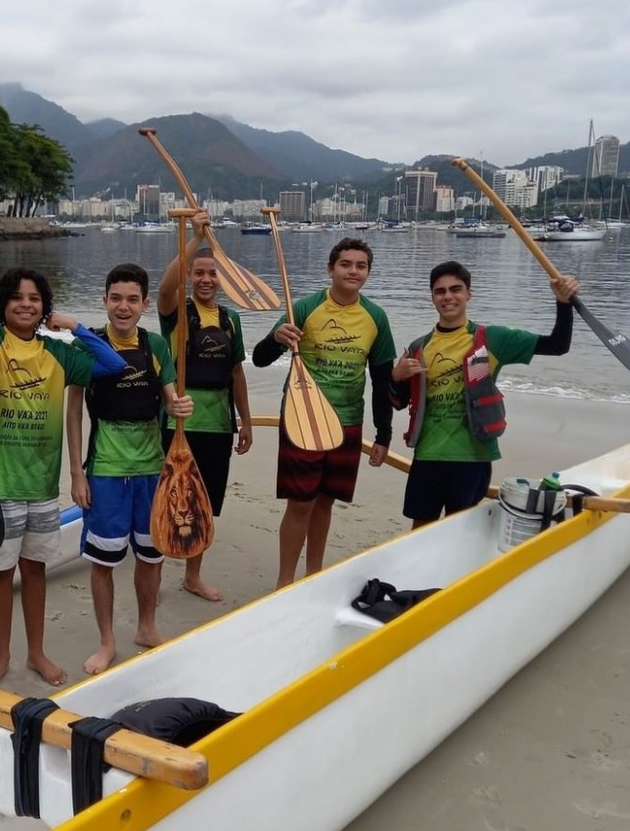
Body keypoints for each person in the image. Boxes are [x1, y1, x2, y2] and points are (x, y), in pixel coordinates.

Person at [0, 269, 125, 688]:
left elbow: (113, 364)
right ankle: (1, 657)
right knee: (0, 573)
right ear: (1, 305)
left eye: (34, 298)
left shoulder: (58, 352)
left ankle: (36, 653)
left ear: (44, 306)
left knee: (34, 571)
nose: (26, 304)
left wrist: (74, 327)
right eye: (16, 297)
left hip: (42, 486)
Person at [66, 263, 194, 675]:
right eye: (116, 298)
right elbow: (73, 414)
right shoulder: (88, 347)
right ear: (104, 301)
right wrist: (76, 473)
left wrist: (180, 408)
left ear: (143, 305)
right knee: (103, 561)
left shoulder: (156, 346)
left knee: (151, 556)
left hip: (153, 470)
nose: (124, 307)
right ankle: (107, 641)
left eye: (133, 300)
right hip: (105, 469)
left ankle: (146, 627)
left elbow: (173, 400)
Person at [390, 260, 580, 528]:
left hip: (471, 457)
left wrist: (563, 303)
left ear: (469, 294)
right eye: (440, 291)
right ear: (432, 297)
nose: (448, 297)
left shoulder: (492, 339)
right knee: (420, 531)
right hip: (427, 455)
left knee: (460, 531)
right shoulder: (419, 346)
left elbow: (557, 345)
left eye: (455, 289)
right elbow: (399, 403)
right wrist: (396, 377)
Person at [253, 237, 396, 587]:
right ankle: (285, 582)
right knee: (300, 503)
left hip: (347, 421)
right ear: (330, 269)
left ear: (368, 273)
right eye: (346, 264)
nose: (353, 271)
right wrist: (277, 339)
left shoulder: (375, 317)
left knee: (325, 503)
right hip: (303, 419)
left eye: (360, 266)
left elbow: (381, 381)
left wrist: (383, 434)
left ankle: (313, 576)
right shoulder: (303, 308)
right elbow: (258, 358)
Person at [156, 209, 252, 602]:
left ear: (222, 280)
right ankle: (155, 571)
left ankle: (193, 575)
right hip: (179, 424)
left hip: (217, 425)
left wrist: (245, 422)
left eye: (213, 274)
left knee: (206, 502)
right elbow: (163, 290)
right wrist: (194, 239)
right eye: (199, 273)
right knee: (168, 498)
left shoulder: (231, 321)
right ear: (191, 277)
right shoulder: (178, 312)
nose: (207, 280)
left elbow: (236, 373)